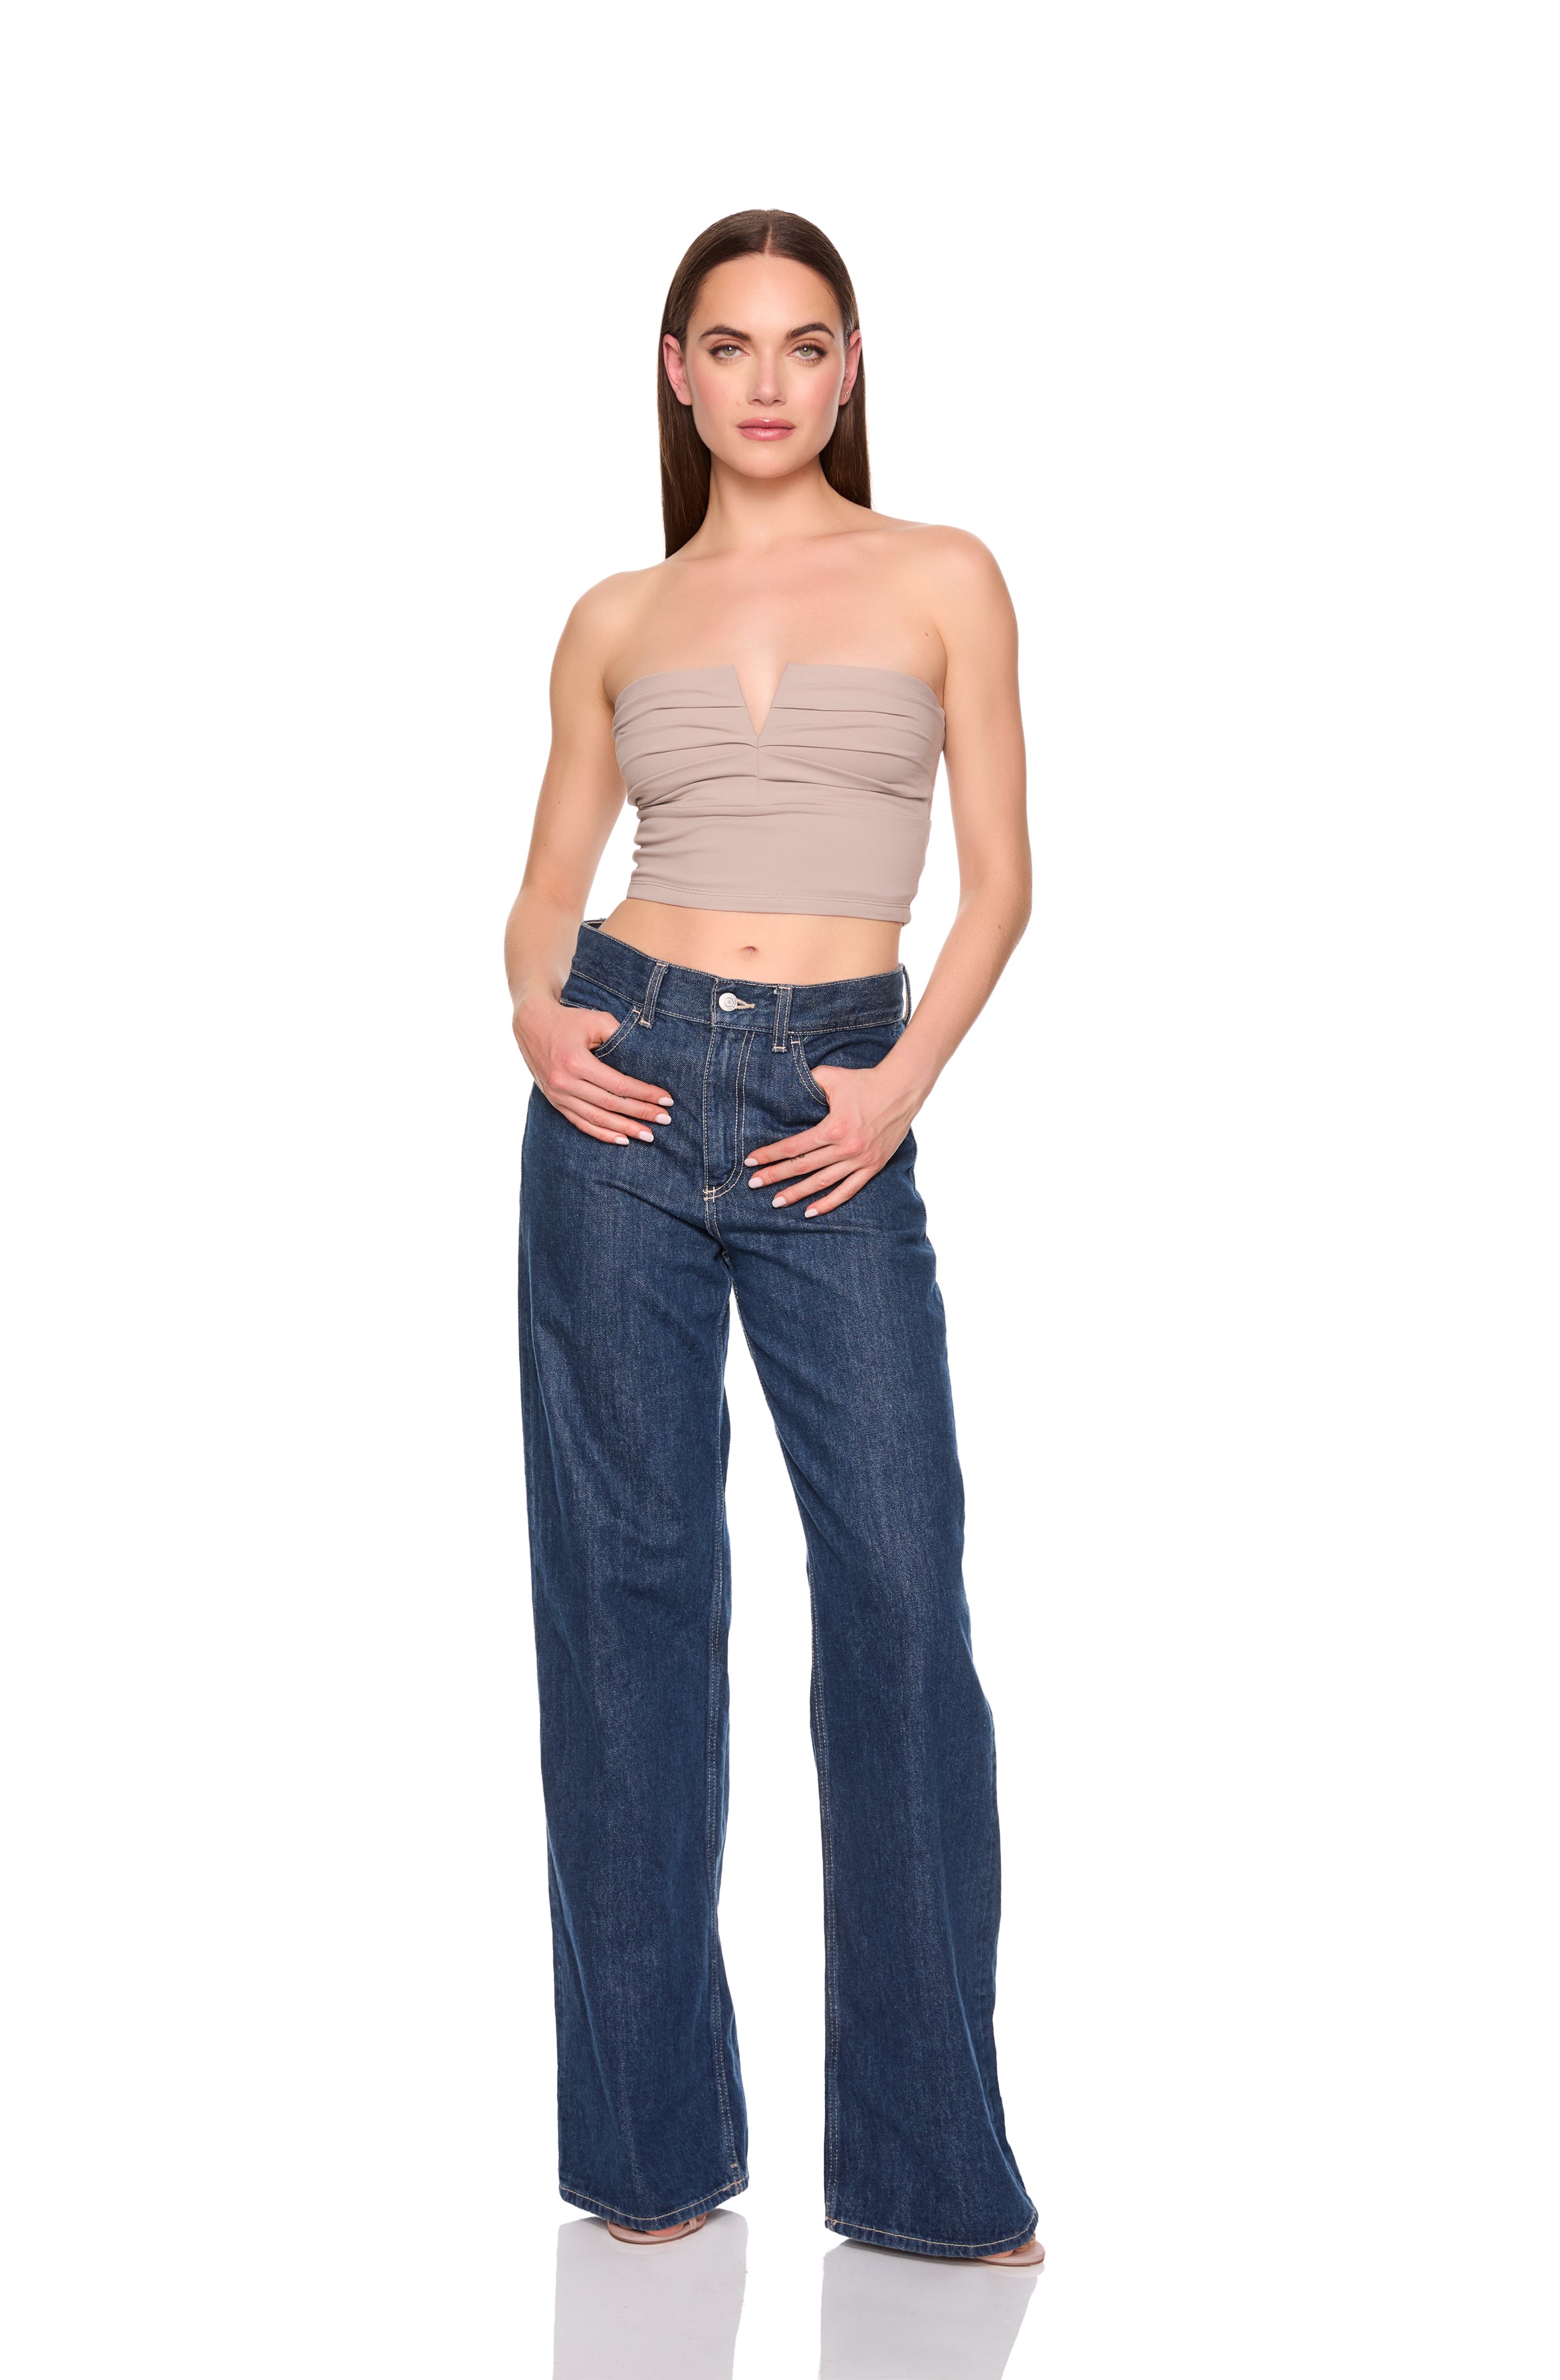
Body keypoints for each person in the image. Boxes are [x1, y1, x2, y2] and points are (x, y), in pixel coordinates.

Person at [506, 210, 1041, 2268]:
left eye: (804, 345)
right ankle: (647, 2155)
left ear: (848, 371)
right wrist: (534, 1007)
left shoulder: (942, 575)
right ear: (677, 371)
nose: (765, 382)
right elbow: (547, 876)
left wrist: (900, 1087)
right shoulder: (614, 614)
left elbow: (1002, 880)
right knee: (625, 1609)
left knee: (897, 1599)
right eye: (728, 346)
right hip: (622, 1090)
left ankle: (930, 2176)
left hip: (838, 1098)